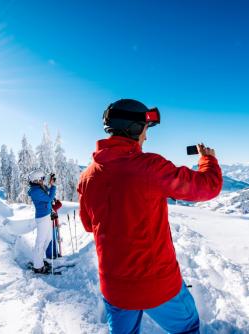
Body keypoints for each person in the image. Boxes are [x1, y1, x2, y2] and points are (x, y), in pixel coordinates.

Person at [77, 99, 223, 333]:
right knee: (187, 328)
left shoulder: (87, 177)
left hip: (115, 288)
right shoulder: (149, 167)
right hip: (158, 285)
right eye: (145, 129)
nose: (147, 137)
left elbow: (87, 224)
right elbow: (208, 186)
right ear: (134, 129)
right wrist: (208, 160)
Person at [28, 170, 56, 274]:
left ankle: (38, 259)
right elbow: (49, 198)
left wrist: (50, 183)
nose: (43, 180)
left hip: (47, 216)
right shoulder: (35, 191)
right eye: (42, 179)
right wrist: (53, 186)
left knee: (48, 239)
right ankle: (38, 267)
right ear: (37, 180)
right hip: (42, 218)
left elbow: (47, 192)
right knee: (40, 242)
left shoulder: (40, 188)